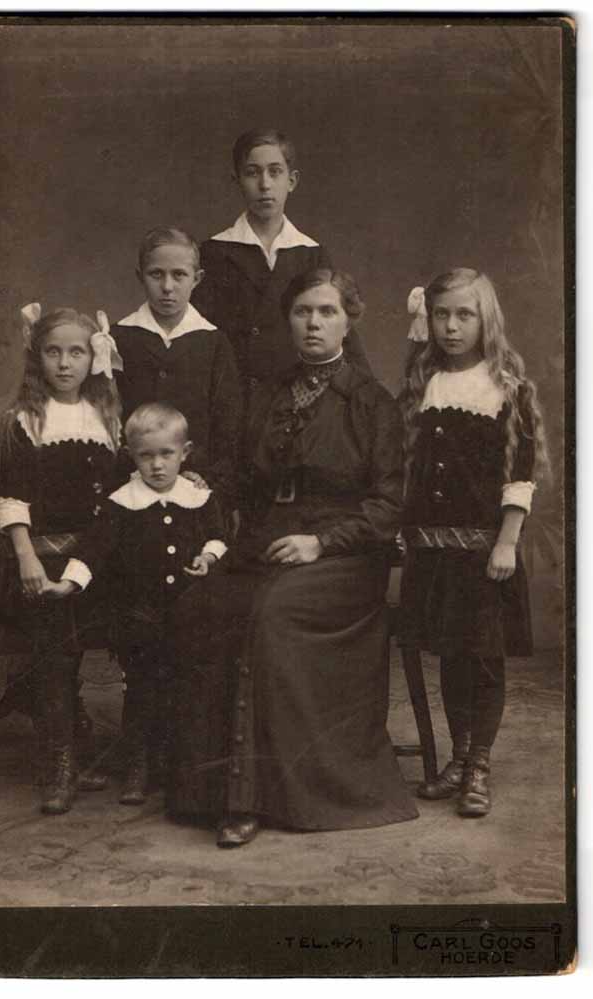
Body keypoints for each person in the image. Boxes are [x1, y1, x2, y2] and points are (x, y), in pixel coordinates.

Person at [167, 267, 418, 847]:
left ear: (347, 319)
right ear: (289, 320)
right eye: (303, 311)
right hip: (268, 544)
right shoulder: (271, 393)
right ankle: (203, 792)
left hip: (346, 556)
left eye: (327, 312)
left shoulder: (371, 403)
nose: (313, 323)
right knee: (203, 602)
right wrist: (215, 544)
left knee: (272, 613)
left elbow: (387, 505)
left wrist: (322, 542)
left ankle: (250, 798)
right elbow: (242, 485)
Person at [399, 269, 549, 817]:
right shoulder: (424, 383)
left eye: (465, 315)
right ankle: (458, 758)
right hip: (432, 552)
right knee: (450, 657)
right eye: (442, 315)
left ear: (486, 319)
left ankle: (480, 763)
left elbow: (520, 474)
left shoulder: (507, 386)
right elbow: (409, 468)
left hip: (484, 551)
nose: (452, 326)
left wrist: (507, 541)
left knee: (484, 659)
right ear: (428, 319)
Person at [0, 304, 123, 815]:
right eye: (53, 352)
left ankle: (119, 748)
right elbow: (12, 496)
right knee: (55, 650)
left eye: (76, 352)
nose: (65, 364)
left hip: (101, 552)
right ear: (37, 356)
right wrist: (26, 556)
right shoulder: (24, 419)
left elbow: (118, 496)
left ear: (94, 357)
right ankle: (61, 761)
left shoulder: (108, 415)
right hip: (44, 550)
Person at [70, 403, 227, 805]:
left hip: (189, 613)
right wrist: (72, 581)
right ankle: (139, 763)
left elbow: (218, 536)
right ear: (130, 454)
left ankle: (178, 764)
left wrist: (207, 558)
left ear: (185, 452)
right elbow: (96, 548)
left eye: (166, 454)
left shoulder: (198, 497)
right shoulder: (122, 503)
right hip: (140, 615)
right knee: (141, 688)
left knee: (185, 685)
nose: (157, 465)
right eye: (146, 455)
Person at [192, 128, 369, 404]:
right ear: (236, 180)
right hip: (234, 400)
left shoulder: (311, 254)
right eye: (252, 173)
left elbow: (342, 333)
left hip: (296, 400)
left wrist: (368, 397)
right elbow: (198, 338)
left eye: (275, 172)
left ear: (292, 180)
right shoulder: (214, 252)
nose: (264, 184)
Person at [111, 226, 242, 505]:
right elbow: (107, 416)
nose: (167, 287)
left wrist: (207, 479)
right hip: (131, 485)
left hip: (197, 485)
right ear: (140, 277)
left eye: (179, 275)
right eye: (156, 274)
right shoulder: (118, 338)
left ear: (197, 279)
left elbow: (227, 427)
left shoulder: (214, 343)